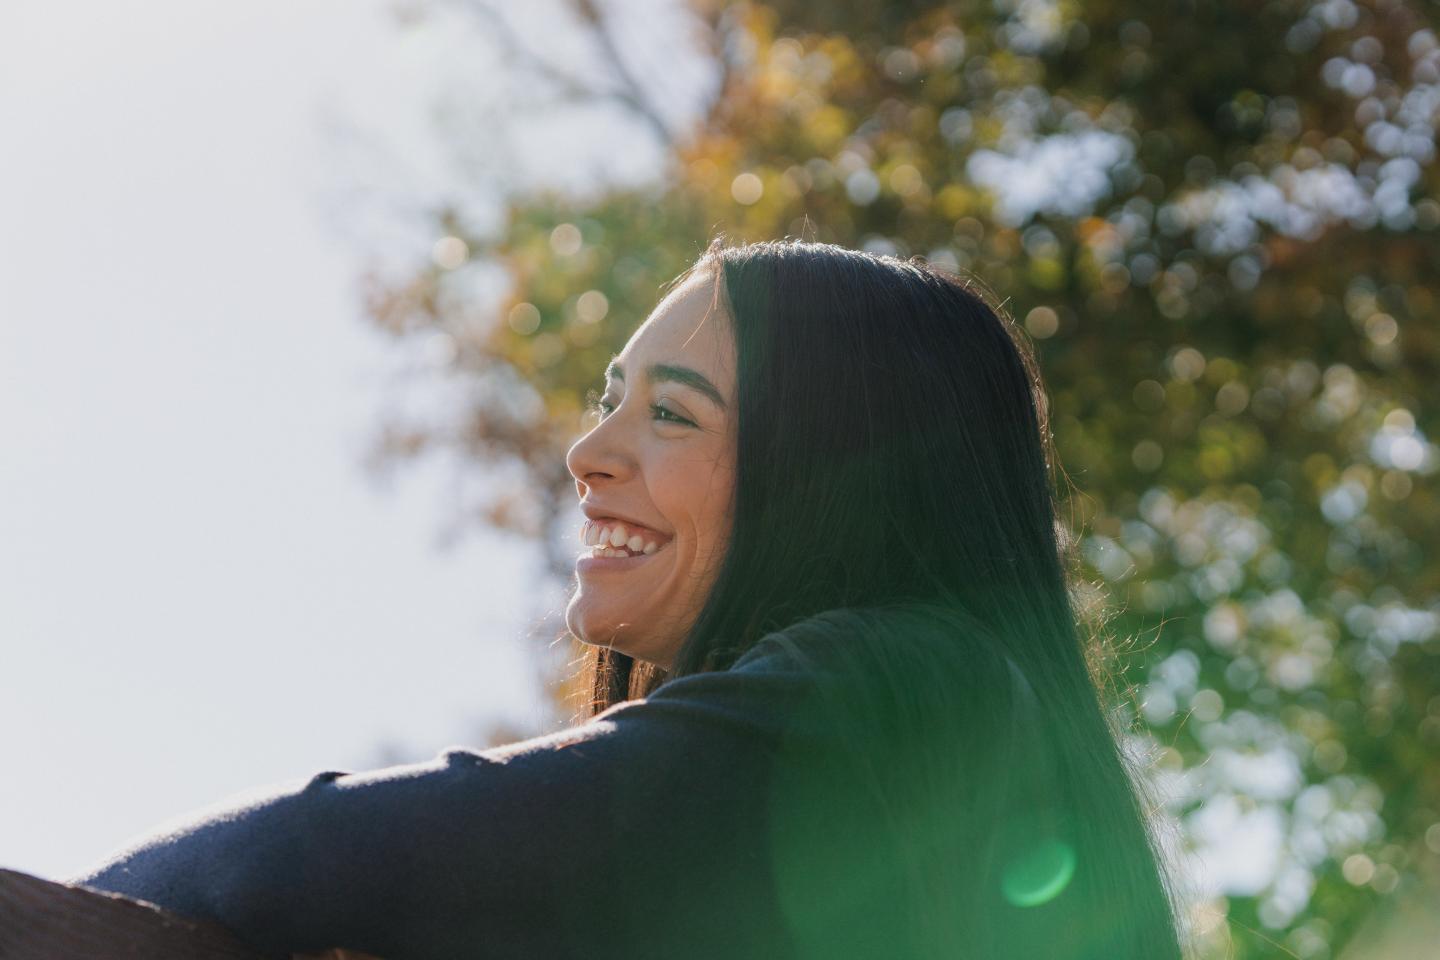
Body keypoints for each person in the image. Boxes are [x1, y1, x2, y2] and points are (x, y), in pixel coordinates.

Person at [65, 239, 1188, 959]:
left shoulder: (899, 685)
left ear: (839, 473)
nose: (590, 452)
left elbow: (312, 854)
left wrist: (67, 913)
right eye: (611, 403)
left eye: (675, 414)